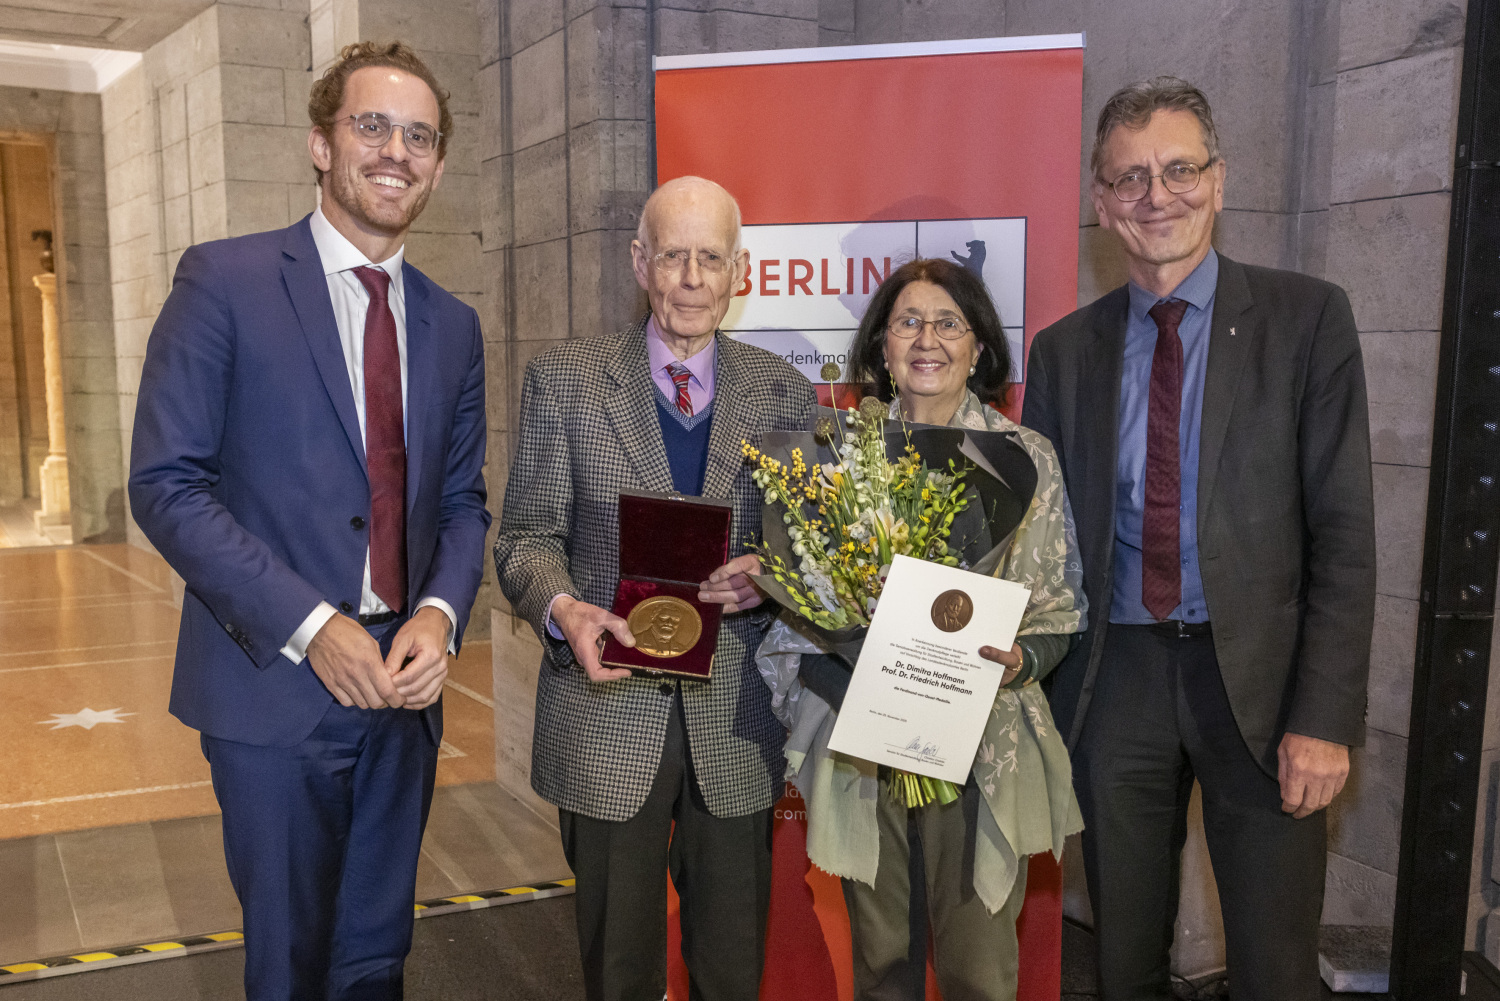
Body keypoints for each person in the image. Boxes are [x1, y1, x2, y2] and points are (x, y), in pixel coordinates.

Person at [128, 41, 489, 1000]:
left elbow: (461, 503)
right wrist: (312, 622)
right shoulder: (227, 283)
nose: (396, 151)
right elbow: (166, 484)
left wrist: (440, 616)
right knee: (288, 965)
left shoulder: (453, 324)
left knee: (376, 958)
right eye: (372, 125)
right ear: (321, 145)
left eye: (420, 136)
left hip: (404, 691)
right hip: (272, 688)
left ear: (439, 164)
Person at [1022, 77, 1375, 1001]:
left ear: (1219, 181)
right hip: (1117, 684)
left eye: (1180, 169)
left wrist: (1326, 719)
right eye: (1130, 177)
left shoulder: (1308, 322)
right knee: (1123, 956)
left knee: (1273, 967)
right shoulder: (1062, 353)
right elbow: (1043, 540)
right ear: (1101, 203)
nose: (1157, 195)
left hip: (1261, 690)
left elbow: (1344, 534)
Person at [493, 175, 817, 1001]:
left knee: (730, 972)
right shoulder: (565, 379)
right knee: (620, 974)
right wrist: (564, 609)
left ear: (739, 272)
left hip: (737, 724)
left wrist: (774, 578)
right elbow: (526, 538)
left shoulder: (785, 392)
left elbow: (812, 552)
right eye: (673, 255)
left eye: (711, 258)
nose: (692, 277)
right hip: (607, 717)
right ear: (641, 263)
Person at [759, 258, 1086, 1001]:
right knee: (881, 967)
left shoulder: (1023, 459)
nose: (927, 338)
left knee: (977, 969)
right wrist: (843, 664)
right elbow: (798, 608)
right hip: (865, 749)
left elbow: (1062, 610)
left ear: (979, 347)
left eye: (949, 323)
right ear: (881, 345)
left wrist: (1021, 658)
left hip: (980, 752)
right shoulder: (834, 460)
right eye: (908, 321)